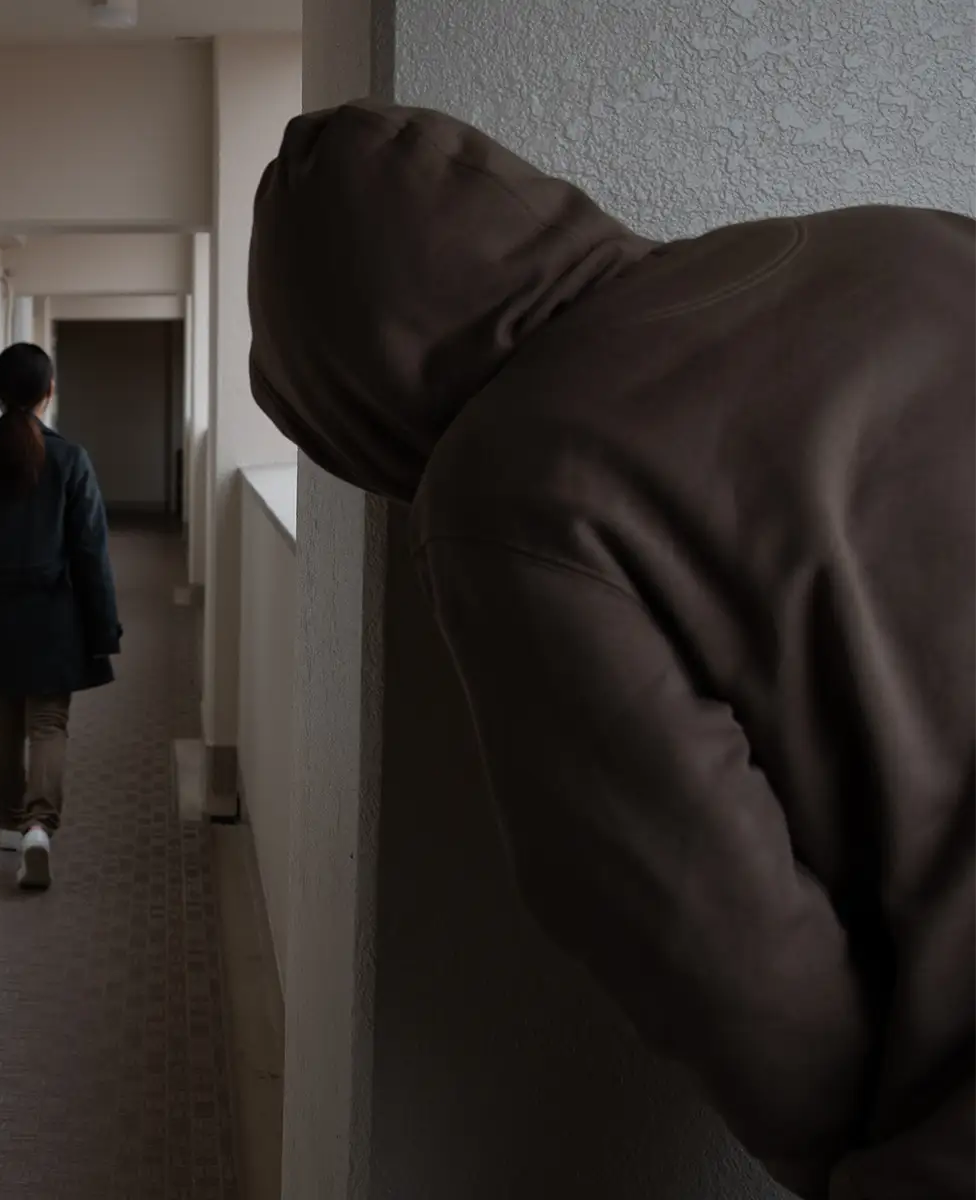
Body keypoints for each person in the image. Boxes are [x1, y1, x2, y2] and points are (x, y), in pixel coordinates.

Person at [248, 101, 976, 1199]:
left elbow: (719, 948)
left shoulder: (510, 491)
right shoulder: (912, 240)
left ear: (353, 395)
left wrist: (870, 1167)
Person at [0, 342, 122, 892]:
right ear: (49, 392)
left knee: (4, 722)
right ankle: (41, 826)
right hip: (53, 613)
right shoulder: (71, 460)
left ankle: (10, 824)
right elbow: (90, 554)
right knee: (48, 723)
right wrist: (103, 627)